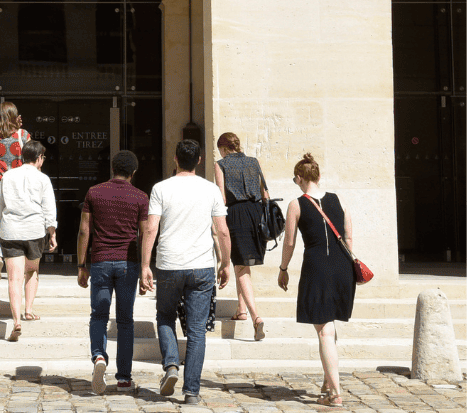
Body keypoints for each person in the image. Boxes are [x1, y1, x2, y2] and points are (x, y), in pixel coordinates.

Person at [141, 140, 231, 405]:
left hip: (169, 264)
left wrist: (145, 265)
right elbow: (222, 230)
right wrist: (226, 263)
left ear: (175, 159)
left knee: (165, 316)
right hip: (201, 265)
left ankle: (171, 364)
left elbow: (151, 228)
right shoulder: (211, 189)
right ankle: (191, 391)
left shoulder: (161, 188)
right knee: (196, 330)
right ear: (199, 160)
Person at [277, 153, 356, 408]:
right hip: (342, 267)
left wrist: (283, 268)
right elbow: (349, 237)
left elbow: (289, 242)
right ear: (319, 176)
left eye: (295, 179)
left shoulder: (296, 204)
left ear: (300, 178)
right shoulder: (339, 199)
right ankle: (327, 384)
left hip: (317, 267)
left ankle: (335, 393)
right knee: (329, 328)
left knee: (324, 331)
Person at [76, 150, 149, 395]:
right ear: (133, 172)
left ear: (112, 168)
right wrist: (145, 267)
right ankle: (124, 378)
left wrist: (81, 265)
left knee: (99, 315)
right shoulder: (140, 197)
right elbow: (144, 234)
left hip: (100, 261)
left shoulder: (94, 192)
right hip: (128, 263)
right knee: (125, 320)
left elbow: (84, 230)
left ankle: (99, 356)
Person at [0, 139, 57, 340]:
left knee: (14, 278)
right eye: (43, 157)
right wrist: (52, 232)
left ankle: (16, 321)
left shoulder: (8, 176)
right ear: (39, 158)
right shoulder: (43, 179)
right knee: (32, 271)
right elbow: (49, 208)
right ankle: (28, 311)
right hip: (34, 231)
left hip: (11, 231)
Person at [214, 132, 269, 340]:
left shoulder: (221, 164)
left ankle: (256, 317)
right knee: (242, 263)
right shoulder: (254, 161)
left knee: (241, 266)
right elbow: (265, 194)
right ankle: (241, 309)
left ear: (223, 148)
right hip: (256, 213)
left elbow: (222, 196)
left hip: (236, 213)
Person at [0, 101, 31, 281]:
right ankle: (22, 262)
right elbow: (32, 153)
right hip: (19, 185)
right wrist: (18, 128)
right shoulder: (23, 134)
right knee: (21, 221)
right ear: (15, 116)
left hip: (0, 184)